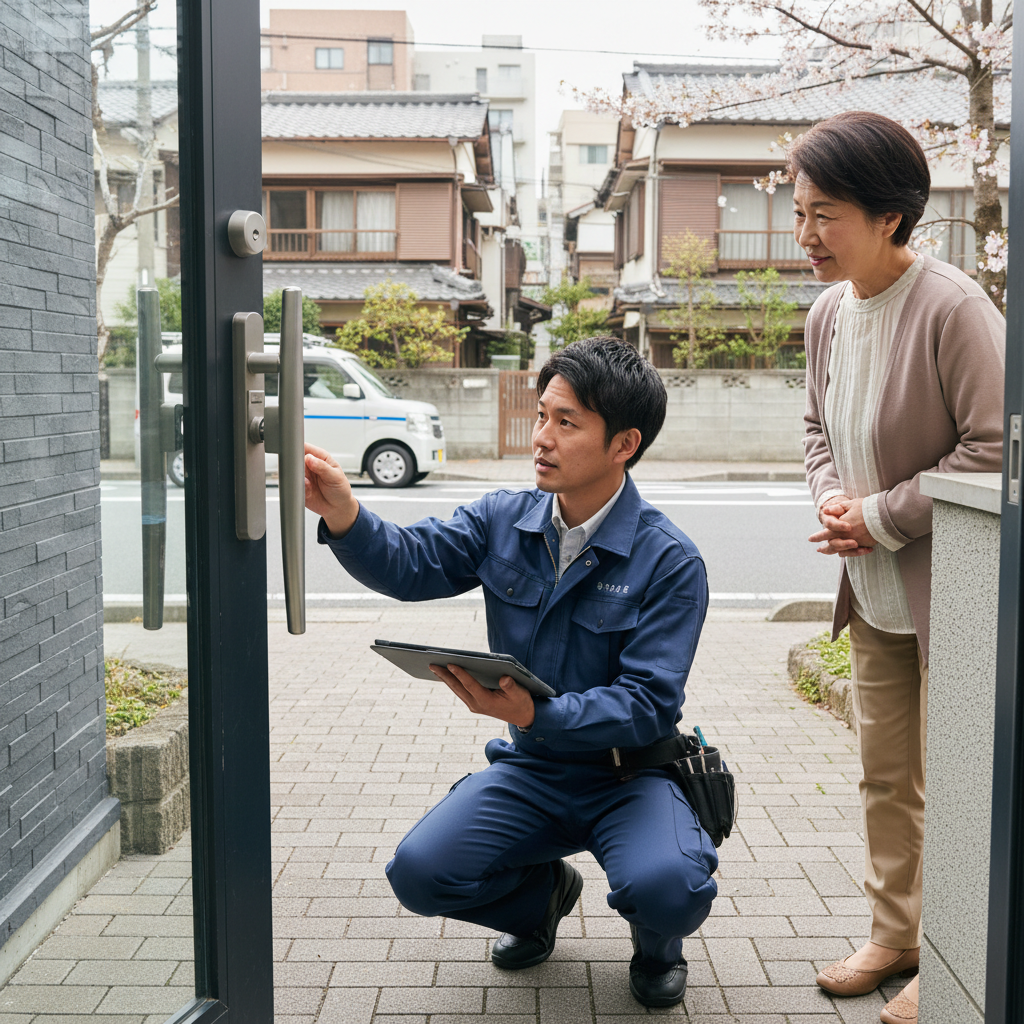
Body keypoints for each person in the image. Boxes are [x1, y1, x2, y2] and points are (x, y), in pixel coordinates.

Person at [303, 337, 718, 1008]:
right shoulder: (504, 519)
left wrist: (537, 712)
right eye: (541, 416)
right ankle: (539, 903)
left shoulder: (669, 561)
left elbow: (647, 703)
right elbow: (412, 564)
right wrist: (345, 516)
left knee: (668, 886)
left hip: (632, 773)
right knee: (420, 873)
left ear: (623, 444)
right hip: (536, 769)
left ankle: (657, 944)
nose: (542, 438)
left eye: (567, 422)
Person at [795, 111, 1005, 1024]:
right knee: (887, 775)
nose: (805, 235)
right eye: (799, 212)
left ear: (890, 217)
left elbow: (996, 450)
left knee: (963, 780)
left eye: (825, 215)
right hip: (875, 592)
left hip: (954, 589)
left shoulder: (955, 308)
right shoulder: (827, 314)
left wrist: (879, 514)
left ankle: (956, 957)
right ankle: (896, 933)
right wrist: (831, 499)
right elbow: (815, 429)